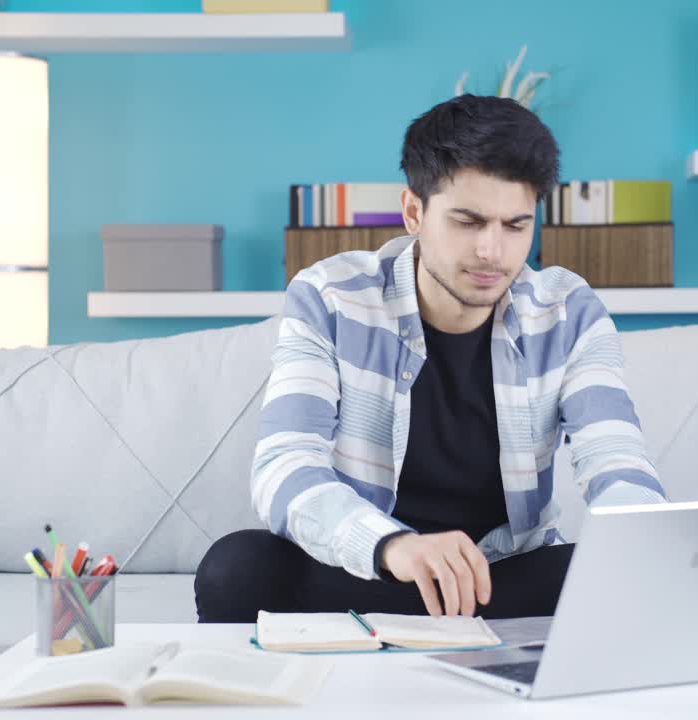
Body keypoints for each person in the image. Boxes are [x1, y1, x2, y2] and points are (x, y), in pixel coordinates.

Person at [195, 94, 665, 623]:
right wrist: (392, 546)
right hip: (371, 573)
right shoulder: (330, 297)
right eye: (468, 221)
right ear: (414, 212)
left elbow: (616, 462)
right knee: (235, 569)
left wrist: (646, 549)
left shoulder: (568, 310)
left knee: (623, 571)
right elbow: (285, 465)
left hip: (500, 579)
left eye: (515, 226)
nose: (493, 251)